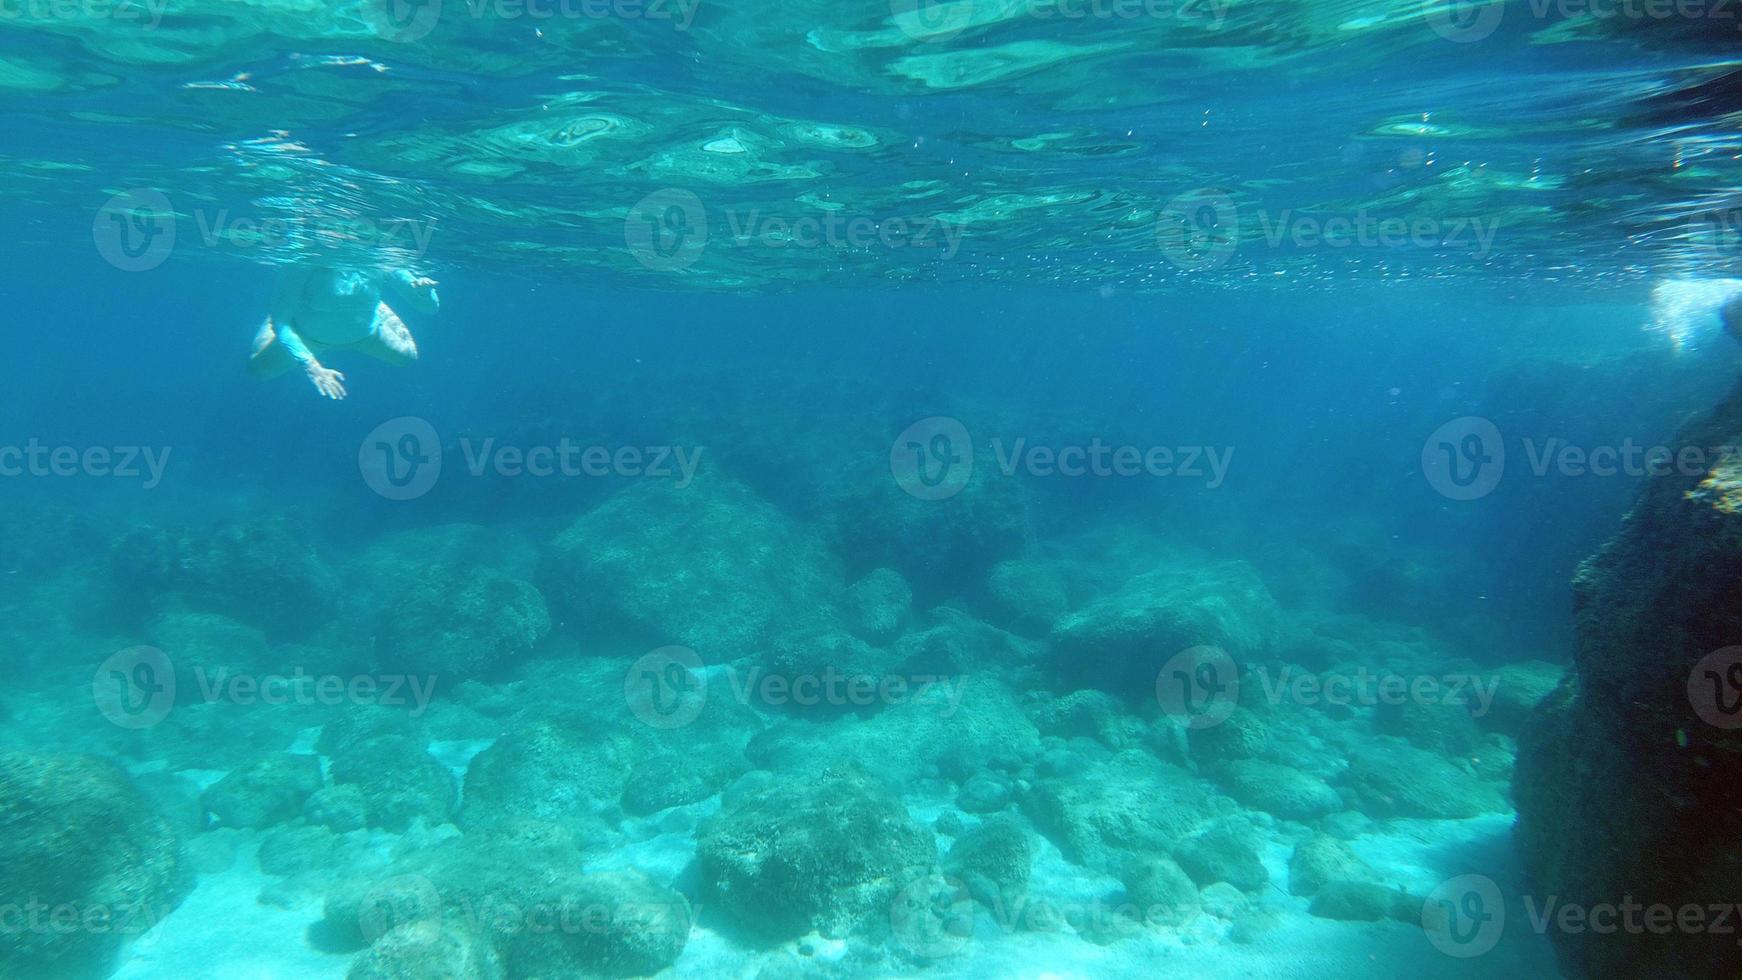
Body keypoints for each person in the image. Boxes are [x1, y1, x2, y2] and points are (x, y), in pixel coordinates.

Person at [248, 265, 438, 400]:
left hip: (367, 333)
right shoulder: (301, 264)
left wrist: (424, 293)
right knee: (258, 370)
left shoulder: (382, 257)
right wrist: (312, 366)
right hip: (306, 336)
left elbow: (430, 309)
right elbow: (281, 324)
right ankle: (287, 309)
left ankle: (372, 306)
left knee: (408, 357)